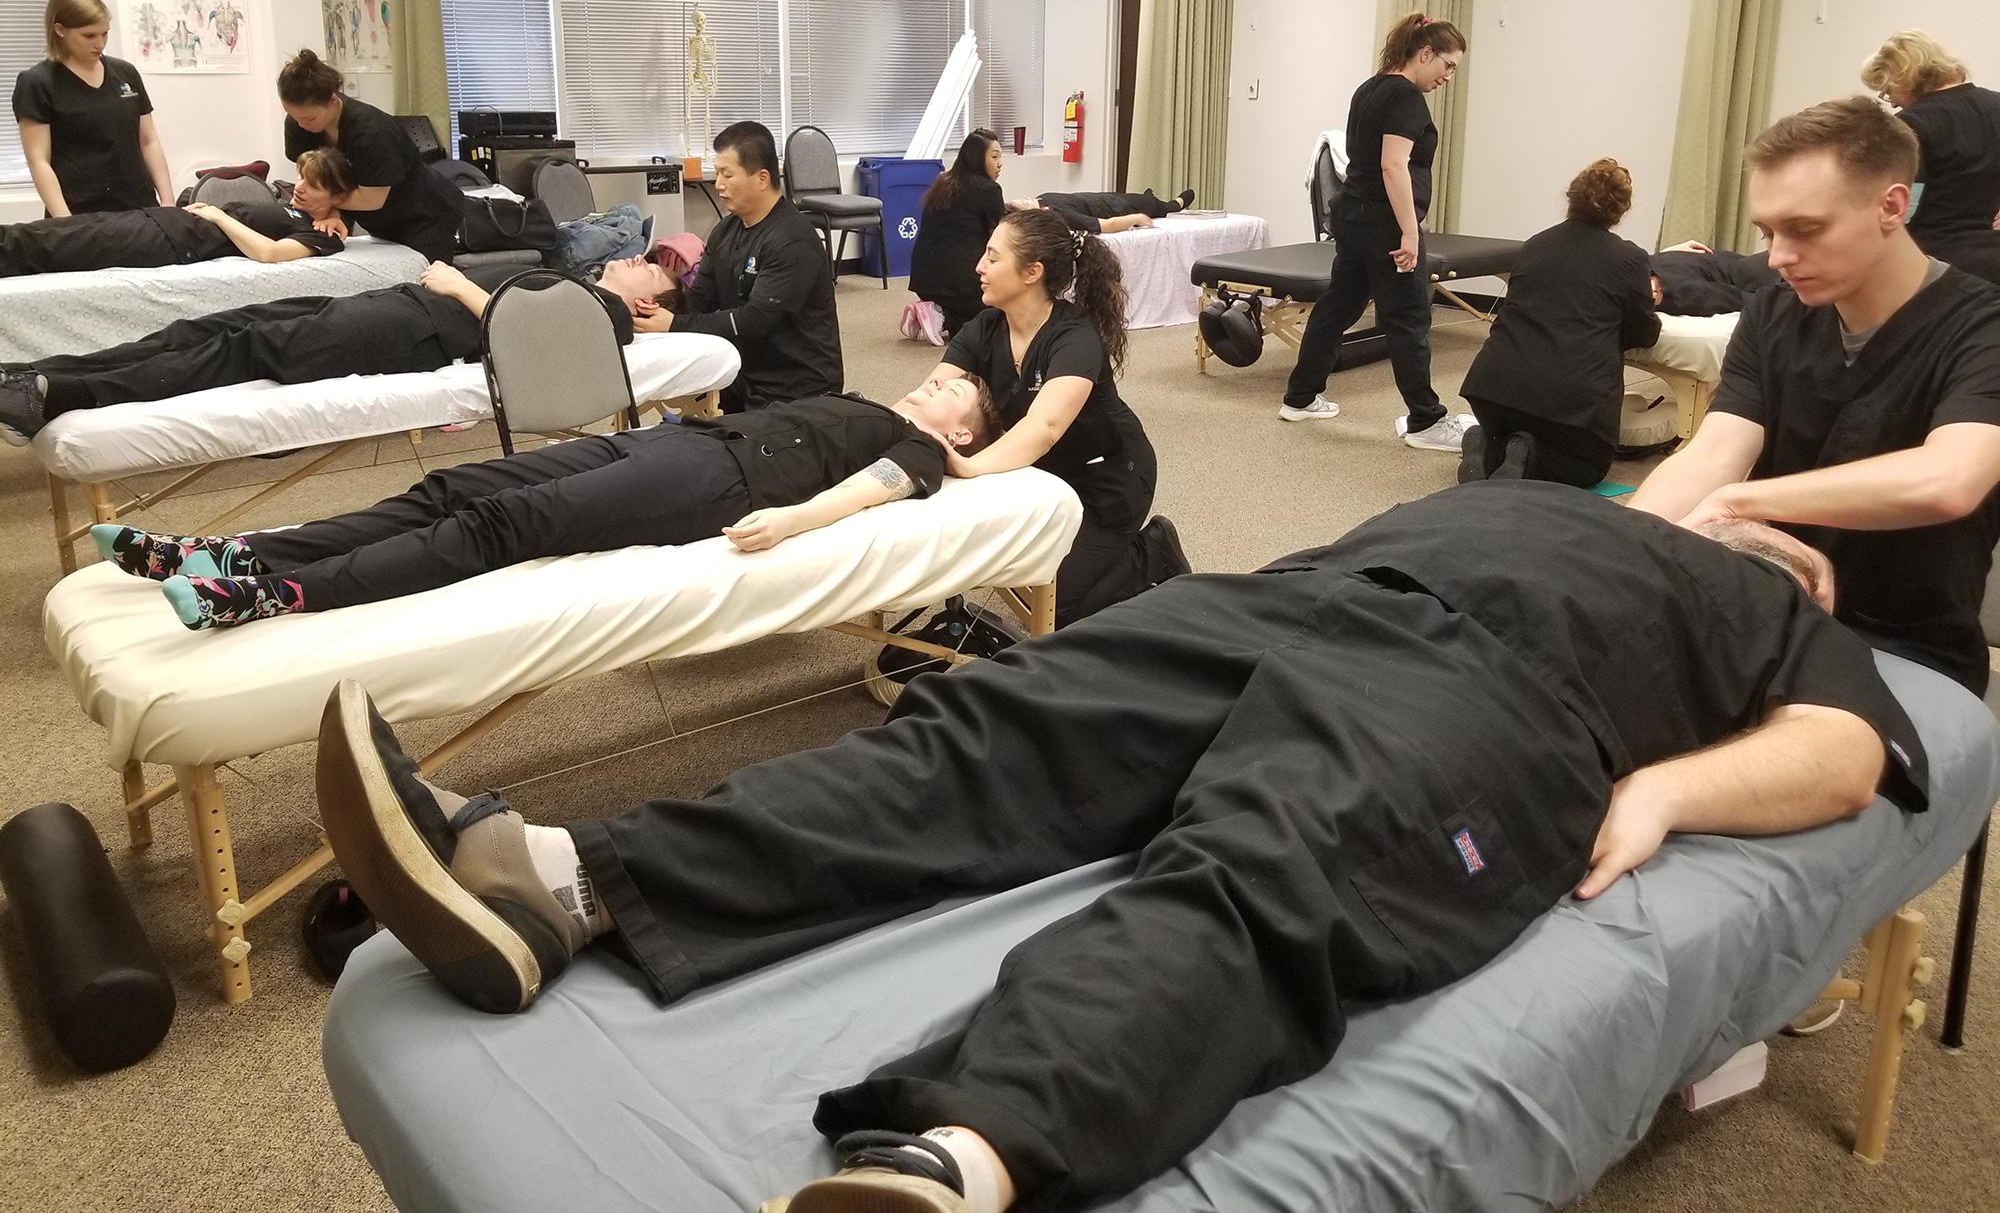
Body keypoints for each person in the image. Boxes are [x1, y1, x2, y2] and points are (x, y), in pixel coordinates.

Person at [316, 482, 1924, 1213]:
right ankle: (563, 888)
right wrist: (1684, 499)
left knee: (1263, 875)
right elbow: (1699, 471)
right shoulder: (1569, 502)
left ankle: (958, 1160)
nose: (1746, 525)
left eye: (1775, 542)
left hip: (1500, 705)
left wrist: (1659, 797)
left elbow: (1850, 755)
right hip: (1293, 603)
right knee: (979, 734)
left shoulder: (1766, 624)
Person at [91, 375, 1003, 629]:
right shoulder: (874, 402)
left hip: (713, 486)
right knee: (447, 487)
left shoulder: (919, 448)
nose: (939, 380)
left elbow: (872, 489)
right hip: (675, 442)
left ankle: (273, 595)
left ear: (962, 433)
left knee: (500, 527)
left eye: (956, 388)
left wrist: (791, 523)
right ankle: (230, 552)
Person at [1630, 97, 2000, 694]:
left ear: (1892, 206)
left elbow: (1949, 481)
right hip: (1768, 610)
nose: (1777, 257)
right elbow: (1712, 455)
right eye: (1769, 232)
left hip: (1905, 645)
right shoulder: (1774, 315)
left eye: (1804, 230)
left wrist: (1741, 503)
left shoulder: (1983, 329)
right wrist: (1623, 547)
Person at [0, 255, 672, 445]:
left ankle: (64, 395)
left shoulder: (608, 315)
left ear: (644, 304)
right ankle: (41, 374)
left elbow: (525, 333)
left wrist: (458, 282)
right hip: (396, 308)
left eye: (650, 268)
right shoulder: (582, 274)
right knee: (214, 326)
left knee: (239, 352)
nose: (635, 257)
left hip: (407, 335)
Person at [927, 206, 1187, 626]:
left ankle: (1151, 552)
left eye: (993, 258)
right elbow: (931, 393)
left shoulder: (1074, 337)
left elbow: (1044, 427)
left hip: (1111, 481)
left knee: (1057, 611)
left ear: (1032, 272)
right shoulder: (984, 328)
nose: (979, 266)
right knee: (1016, 573)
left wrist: (971, 466)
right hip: (1047, 475)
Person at [1279, 12, 1472, 452]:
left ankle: (1300, 397)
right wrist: (1410, 233)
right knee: (1407, 318)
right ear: (1425, 53)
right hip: (1383, 221)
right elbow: (1393, 165)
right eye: (1448, 64)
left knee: (1338, 305)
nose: (1449, 75)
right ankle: (1426, 421)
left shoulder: (1369, 88)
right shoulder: (1406, 97)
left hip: (1353, 215)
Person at [1458, 159, 1660, 487]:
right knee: (1586, 469)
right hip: (1569, 406)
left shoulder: (1535, 244)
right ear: (1620, 211)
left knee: (1505, 432)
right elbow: (1643, 333)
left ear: (1571, 198)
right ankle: (1527, 454)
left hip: (1493, 389)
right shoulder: (1630, 259)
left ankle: (1486, 445)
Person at [642, 120, 842, 411]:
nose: (718, 184)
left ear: (762, 178)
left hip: (796, 390)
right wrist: (654, 310)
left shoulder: (792, 240)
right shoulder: (726, 230)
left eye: (727, 174)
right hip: (742, 374)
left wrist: (673, 324)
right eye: (718, 173)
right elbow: (701, 298)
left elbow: (756, 320)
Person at [0, 147, 353, 279]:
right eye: (300, 178)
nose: (300, 188)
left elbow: (269, 253)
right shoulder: (304, 212)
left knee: (63, 245)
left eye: (313, 186)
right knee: (63, 231)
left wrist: (218, 216)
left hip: (175, 242)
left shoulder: (322, 236)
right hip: (163, 220)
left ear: (337, 194)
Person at [279, 49, 467, 263]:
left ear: (332, 99)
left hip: (425, 216)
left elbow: (372, 198)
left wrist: (326, 203)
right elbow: (318, 178)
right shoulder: (298, 124)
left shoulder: (371, 132)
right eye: (294, 116)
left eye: (309, 118)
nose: (301, 125)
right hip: (380, 221)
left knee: (428, 282)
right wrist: (331, 213)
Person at [12, 0, 176, 218]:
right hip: (82, 215)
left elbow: (148, 141)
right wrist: (65, 223)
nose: (100, 43)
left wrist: (168, 203)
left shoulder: (126, 73)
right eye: (89, 35)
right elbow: (39, 161)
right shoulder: (37, 83)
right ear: (60, 30)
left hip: (141, 209)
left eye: (105, 33)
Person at [1861, 29, 2000, 284]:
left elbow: (1904, 209)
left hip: (1934, 265)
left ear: (1904, 76)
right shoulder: (1997, 105)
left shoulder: (1910, 124)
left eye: (1888, 90)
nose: (1891, 102)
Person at [909, 130, 1009, 337]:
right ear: (976, 157)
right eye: (994, 156)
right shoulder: (989, 189)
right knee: (1000, 315)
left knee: (968, 327)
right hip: (959, 285)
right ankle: (941, 314)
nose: (1000, 163)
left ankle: (934, 310)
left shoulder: (944, 182)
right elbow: (1001, 239)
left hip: (924, 279)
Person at [1649, 243, 1780, 315]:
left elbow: (1738, 299)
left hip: (1756, 275)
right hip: (1741, 266)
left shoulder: (1670, 290)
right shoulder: (1647, 263)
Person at [1024, 187, 1192, 234]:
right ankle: (1172, 205)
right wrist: (1137, 218)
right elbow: (1105, 225)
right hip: (1116, 208)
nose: (1025, 198)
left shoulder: (1042, 197)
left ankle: (1147, 198)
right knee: (1159, 206)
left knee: (1142, 199)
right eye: (1024, 203)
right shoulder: (1061, 216)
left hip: (1104, 197)